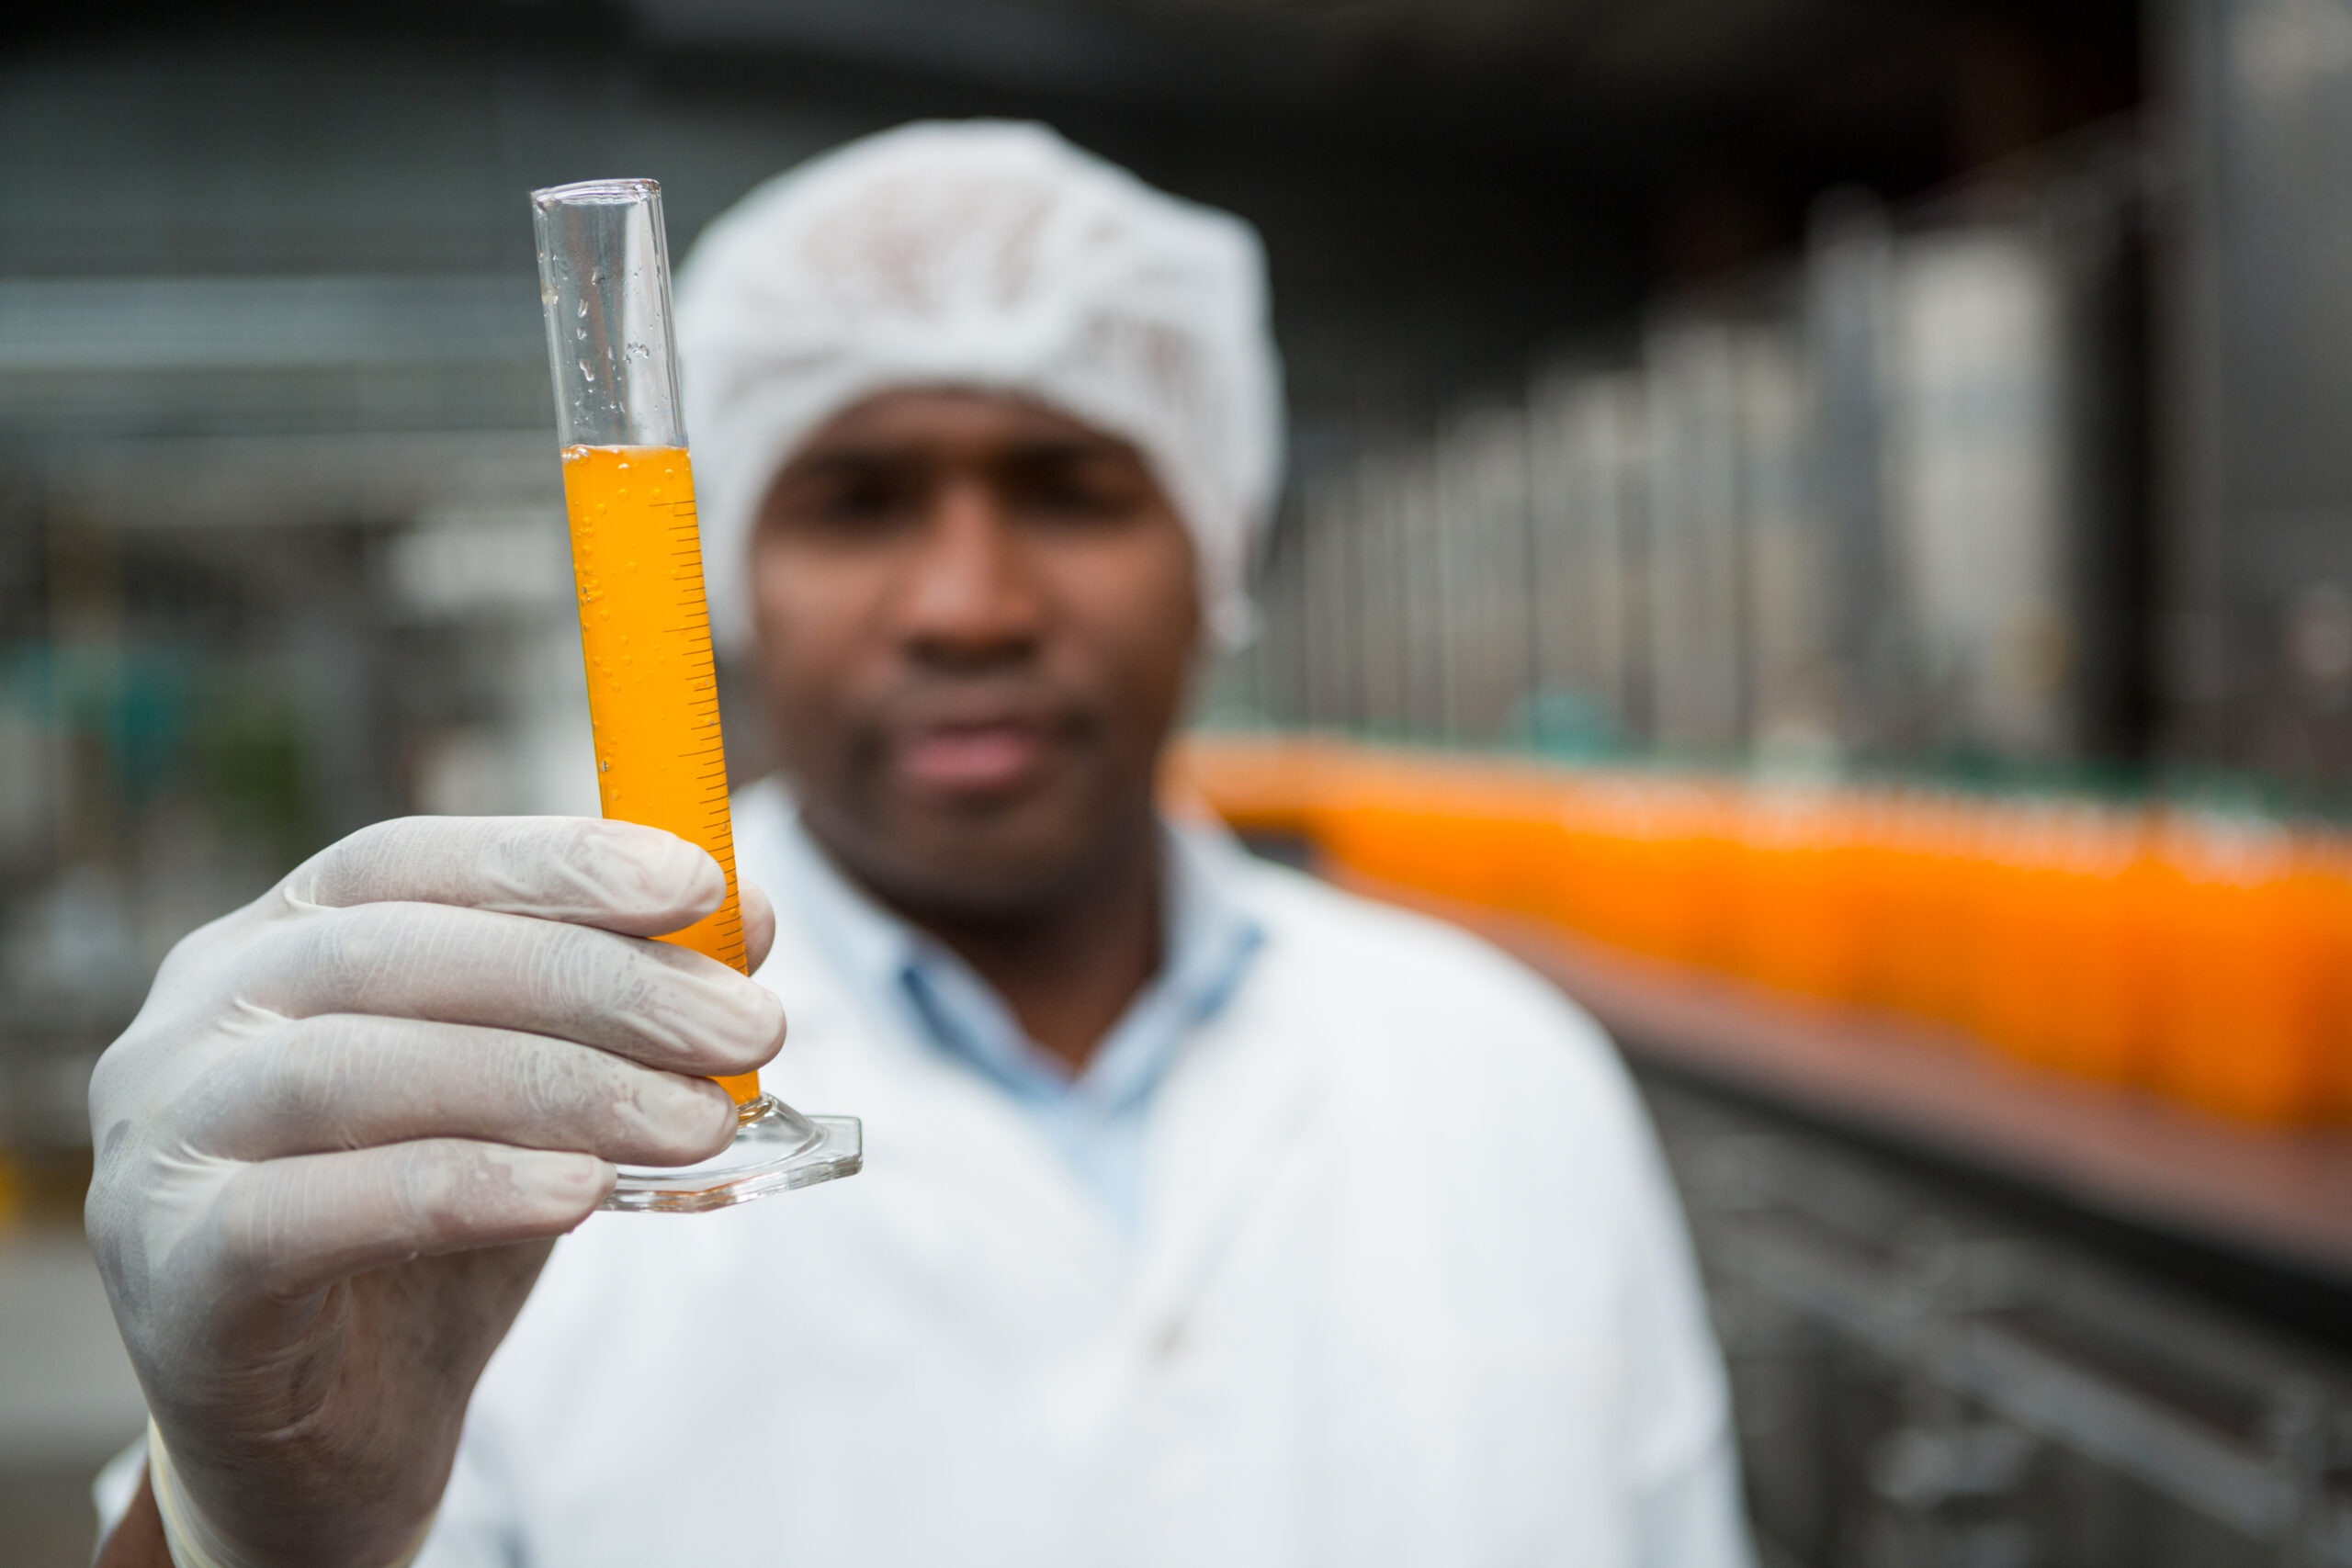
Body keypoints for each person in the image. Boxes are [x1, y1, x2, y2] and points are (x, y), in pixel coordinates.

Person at [88, 121, 1752, 1567]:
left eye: (1071, 487)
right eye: (859, 501)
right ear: (731, 571)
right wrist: (258, 1532)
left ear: (1219, 540)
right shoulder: (489, 1124)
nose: (969, 604)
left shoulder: (1509, 1079)